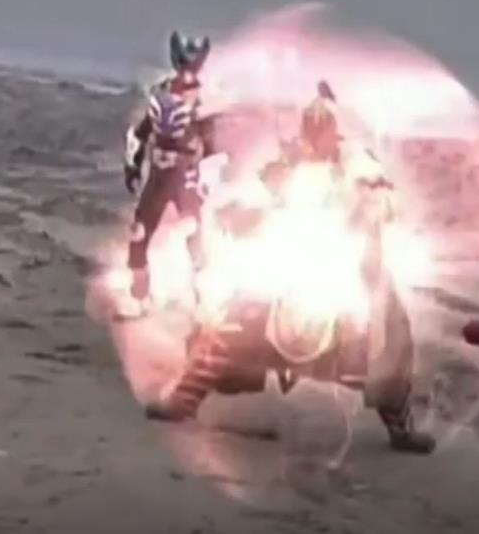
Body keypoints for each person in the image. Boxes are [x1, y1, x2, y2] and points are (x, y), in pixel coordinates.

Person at [161, 81, 436, 454]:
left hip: (345, 260)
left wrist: (371, 203)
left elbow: (385, 200)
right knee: (233, 311)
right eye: (313, 126)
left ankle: (400, 426)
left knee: (389, 329)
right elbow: (262, 195)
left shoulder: (358, 163)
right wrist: (245, 213)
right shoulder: (291, 159)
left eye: (325, 127)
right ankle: (185, 397)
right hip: (292, 254)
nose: (318, 134)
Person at [119, 31, 218, 312]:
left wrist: (209, 178)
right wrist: (133, 166)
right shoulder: (162, 93)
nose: (187, 73)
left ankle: (204, 302)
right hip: (159, 177)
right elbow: (140, 134)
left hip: (186, 177)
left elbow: (212, 145)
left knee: (194, 236)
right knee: (139, 234)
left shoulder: (204, 99)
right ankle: (140, 298)